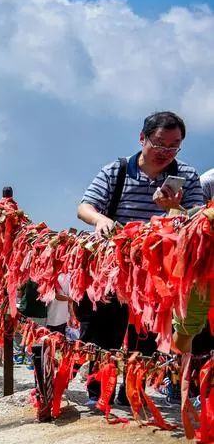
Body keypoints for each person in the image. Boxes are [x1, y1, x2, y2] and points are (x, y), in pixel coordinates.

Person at [77, 111, 204, 407]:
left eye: (174, 146)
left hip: (157, 273)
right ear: (142, 138)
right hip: (114, 269)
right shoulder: (117, 170)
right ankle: (99, 394)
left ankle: (134, 391)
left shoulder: (186, 176)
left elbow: (198, 220)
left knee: (146, 334)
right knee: (104, 332)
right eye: (160, 144)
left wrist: (175, 207)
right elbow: (84, 206)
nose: (166, 152)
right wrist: (100, 220)